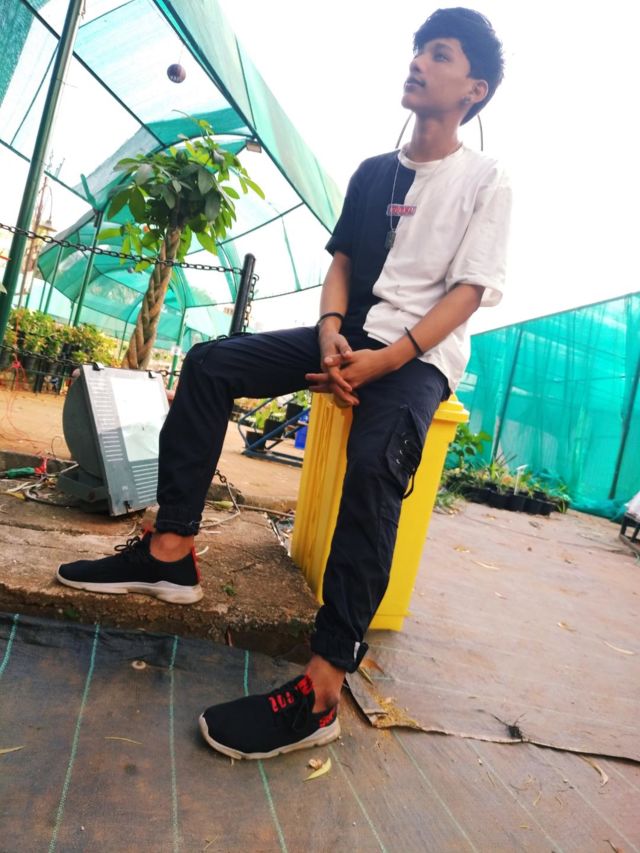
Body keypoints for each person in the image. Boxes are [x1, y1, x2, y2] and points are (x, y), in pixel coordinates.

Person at [56, 7, 511, 761]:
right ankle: (170, 551)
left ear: (475, 89)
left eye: (439, 54)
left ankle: (322, 690)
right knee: (211, 364)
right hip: (347, 334)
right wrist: (331, 330)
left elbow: (468, 291)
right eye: (417, 49)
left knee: (374, 468)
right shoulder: (374, 172)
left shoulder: (485, 179)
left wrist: (386, 360)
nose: (418, 63)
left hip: (416, 360)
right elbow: (343, 262)